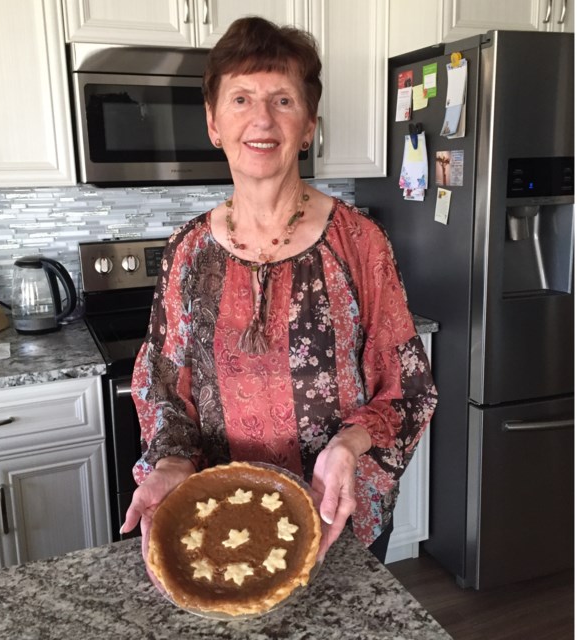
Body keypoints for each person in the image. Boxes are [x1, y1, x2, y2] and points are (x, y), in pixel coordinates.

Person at [120, 16, 437, 564]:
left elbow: (407, 390)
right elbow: (164, 389)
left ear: (309, 124)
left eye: (283, 100)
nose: (261, 119)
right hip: (227, 517)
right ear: (213, 123)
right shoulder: (187, 252)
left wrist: (347, 444)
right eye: (240, 98)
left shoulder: (361, 242)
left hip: (337, 510)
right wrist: (171, 463)